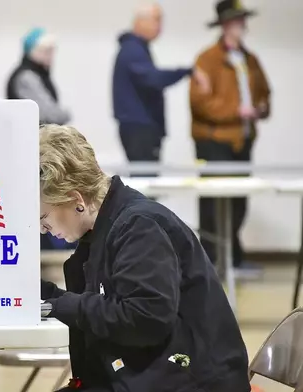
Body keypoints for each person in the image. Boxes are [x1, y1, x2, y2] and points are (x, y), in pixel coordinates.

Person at [39, 124, 250, 391]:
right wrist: (51, 296)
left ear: (75, 199)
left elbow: (145, 318)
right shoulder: (105, 230)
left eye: (44, 217)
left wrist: (60, 305)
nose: (42, 229)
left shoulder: (139, 226)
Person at [190, 0, 270, 278]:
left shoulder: (250, 59)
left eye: (243, 20)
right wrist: (236, 112)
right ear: (225, 24)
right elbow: (200, 103)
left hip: (242, 141)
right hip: (214, 141)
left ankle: (233, 259)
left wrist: (261, 108)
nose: (242, 25)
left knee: (238, 202)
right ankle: (210, 263)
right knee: (213, 203)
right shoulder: (207, 59)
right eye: (237, 20)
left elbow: (264, 92)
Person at [112, 2, 208, 175]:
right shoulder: (133, 50)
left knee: (146, 184)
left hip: (142, 128)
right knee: (145, 184)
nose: (160, 26)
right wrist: (187, 71)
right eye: (157, 20)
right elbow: (154, 78)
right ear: (140, 21)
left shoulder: (137, 49)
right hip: (140, 129)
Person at [6, 27, 71, 125]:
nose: (51, 55)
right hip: (33, 136)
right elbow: (49, 113)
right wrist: (65, 114)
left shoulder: (38, 74)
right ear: (33, 50)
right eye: (46, 51)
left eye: (52, 51)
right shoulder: (26, 77)